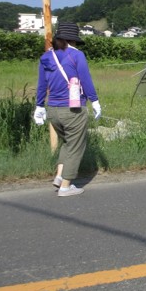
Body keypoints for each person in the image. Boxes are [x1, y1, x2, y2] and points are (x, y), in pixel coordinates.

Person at [33, 22, 101, 196]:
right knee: (76, 146)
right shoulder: (77, 56)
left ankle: (59, 176)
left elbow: (42, 84)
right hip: (73, 110)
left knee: (68, 143)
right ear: (73, 40)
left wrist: (39, 105)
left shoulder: (47, 57)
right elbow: (85, 80)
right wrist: (94, 101)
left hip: (53, 110)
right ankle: (66, 185)